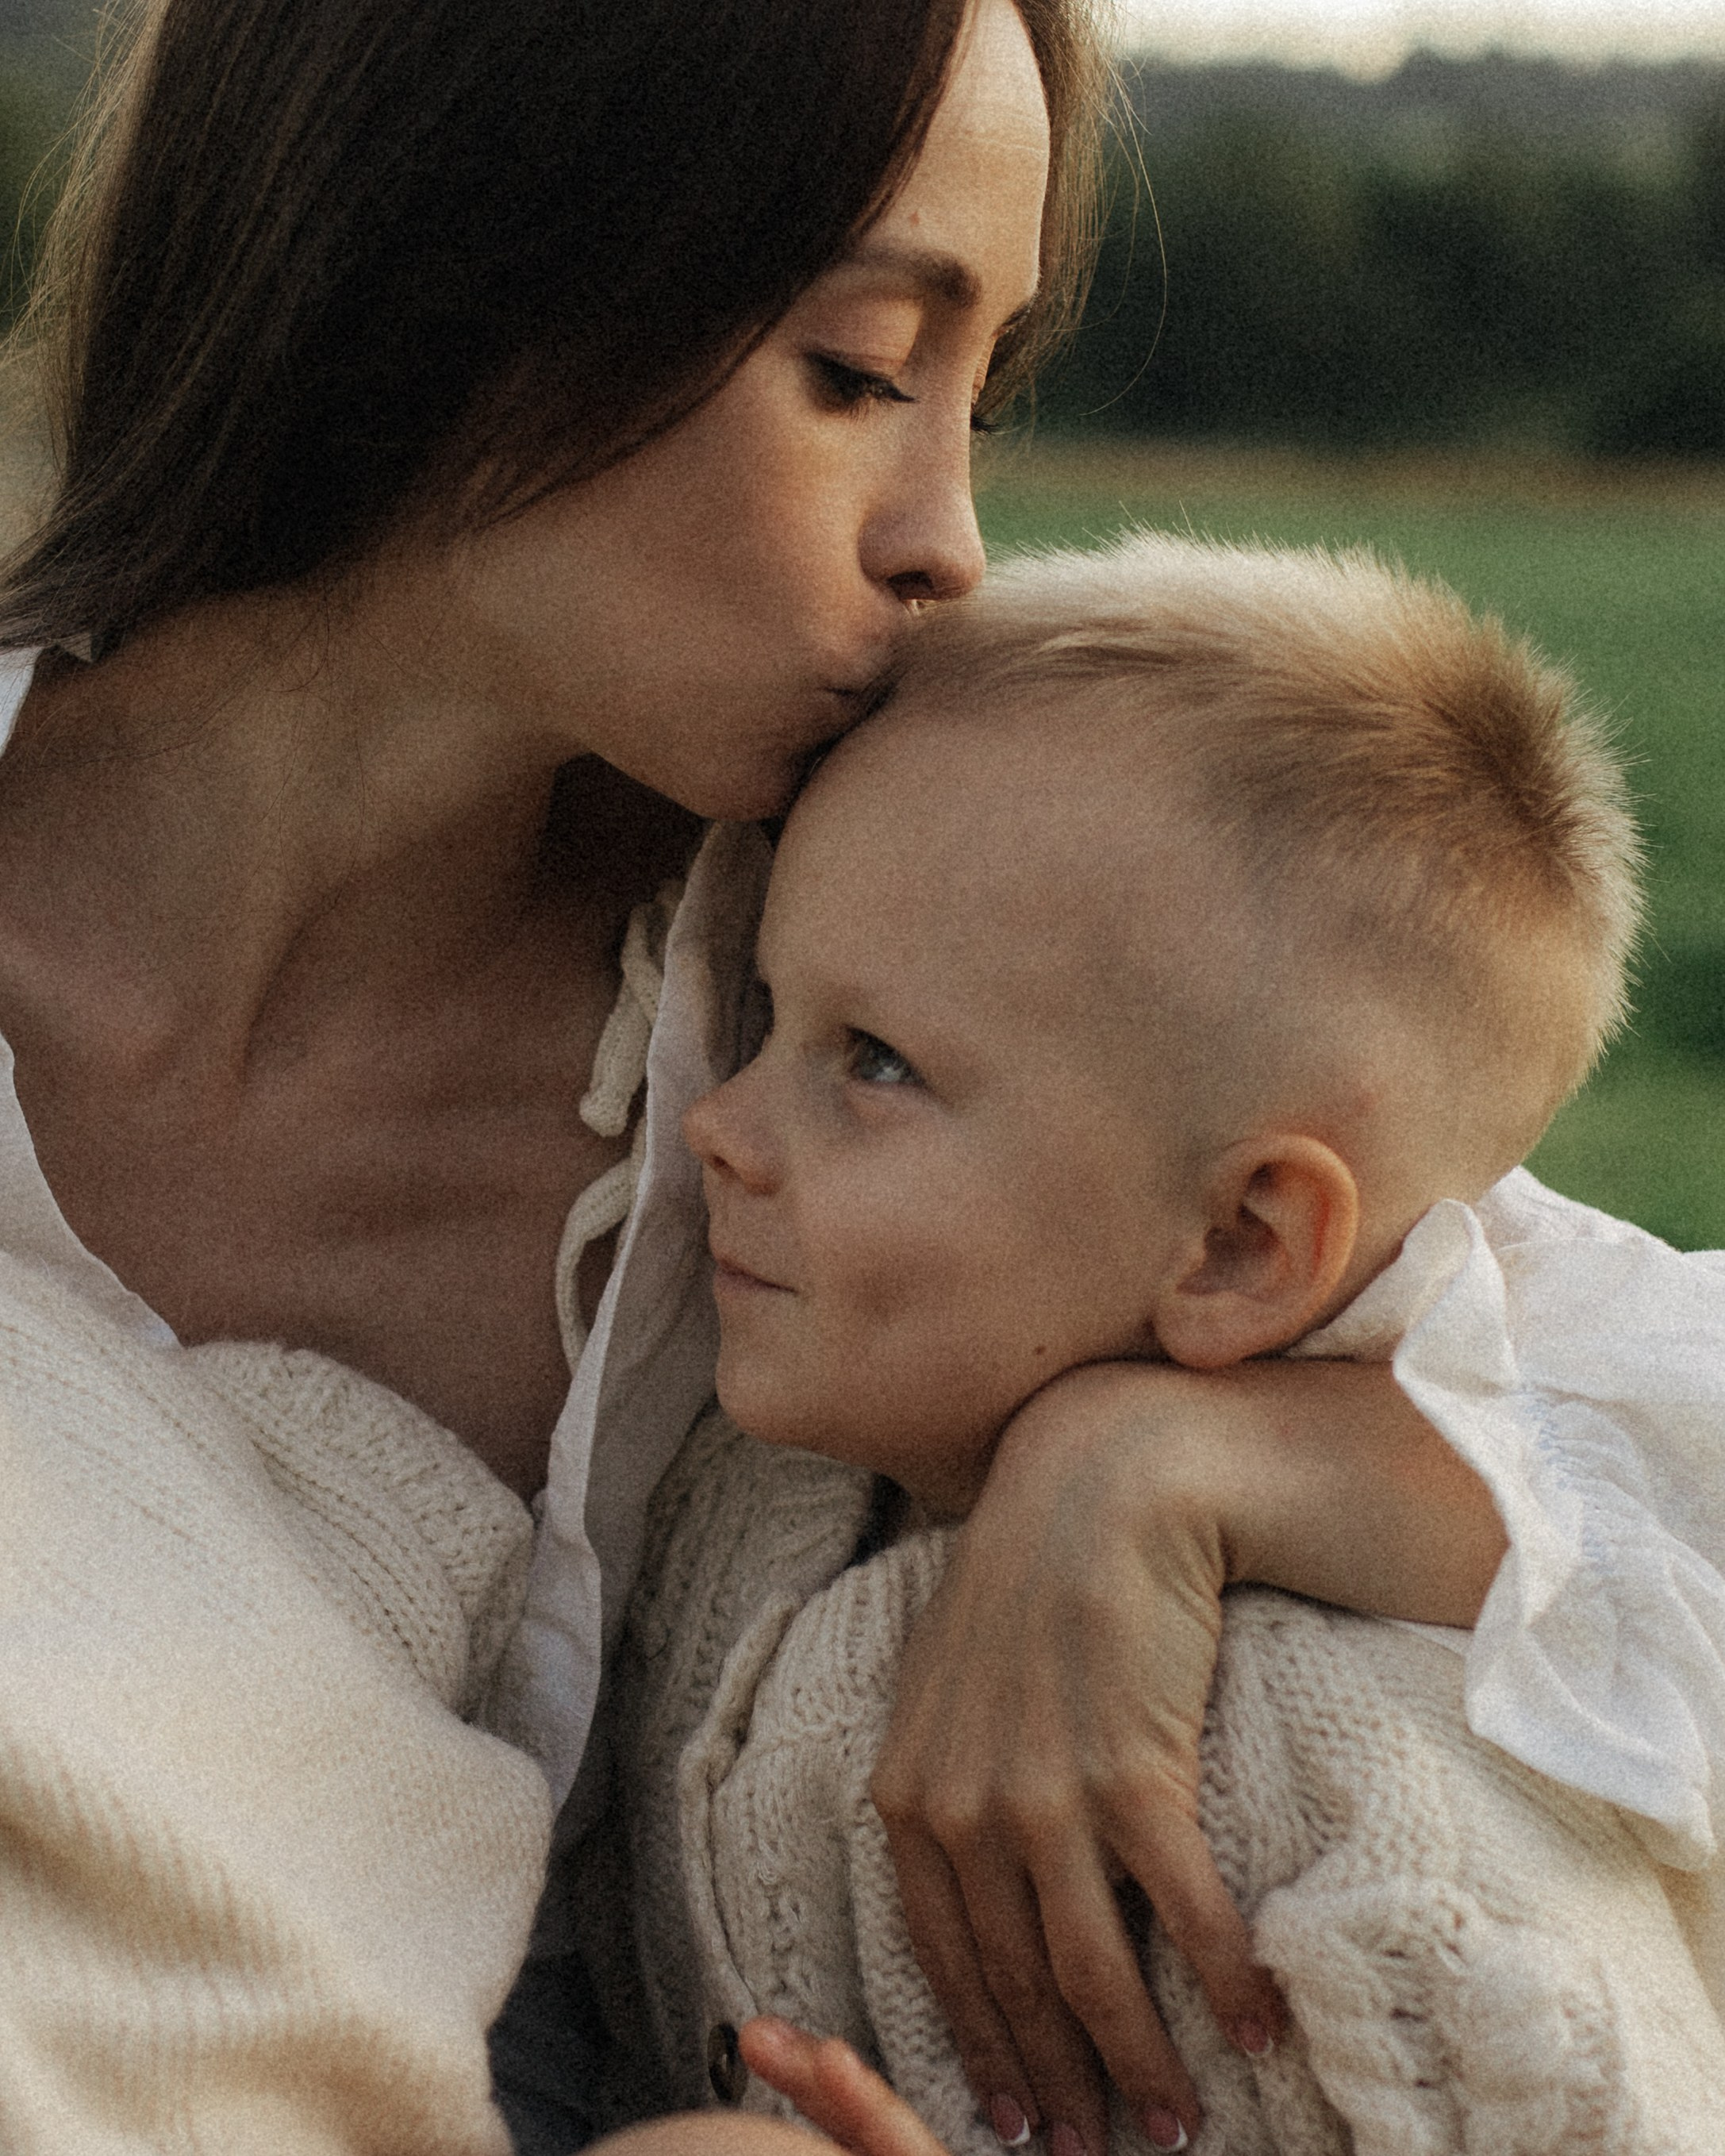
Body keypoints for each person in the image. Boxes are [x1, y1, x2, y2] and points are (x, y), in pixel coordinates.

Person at [0, 0, 1711, 2146]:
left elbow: (1654, 1428)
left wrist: (1160, 1465)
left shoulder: (870, 975)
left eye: (977, 397)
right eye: (858, 372)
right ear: (447, 268)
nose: (949, 543)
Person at [589, 534, 1725, 2150]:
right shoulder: (760, 1490)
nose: (714, 1124)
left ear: (1244, 1244)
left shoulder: (1354, 1803)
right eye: (769, 1017)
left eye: (878, 1066)